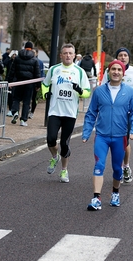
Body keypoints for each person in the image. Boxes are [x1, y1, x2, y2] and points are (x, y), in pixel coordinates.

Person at [82, 60, 133, 210]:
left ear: (123, 73)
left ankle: (115, 193)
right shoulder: (99, 91)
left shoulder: (129, 92)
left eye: (119, 70)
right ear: (108, 72)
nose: (116, 72)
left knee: (117, 168)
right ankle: (96, 198)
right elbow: (91, 113)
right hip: (101, 135)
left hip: (120, 137)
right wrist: (86, 132)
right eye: (113, 69)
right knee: (99, 165)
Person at [41, 43, 91, 183]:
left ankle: (64, 170)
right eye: (65, 53)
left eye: (70, 53)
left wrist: (80, 91)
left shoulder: (79, 71)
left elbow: (87, 92)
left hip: (70, 113)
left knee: (65, 144)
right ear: (61, 55)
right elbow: (45, 84)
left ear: (74, 55)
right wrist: (46, 94)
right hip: (55, 111)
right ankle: (54, 157)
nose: (68, 55)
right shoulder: (54, 69)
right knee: (50, 139)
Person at [101, 47, 133, 183]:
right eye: (120, 55)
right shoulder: (109, 71)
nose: (123, 57)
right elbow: (103, 88)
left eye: (125, 55)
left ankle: (124, 166)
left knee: (124, 141)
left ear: (129, 58)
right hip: (112, 112)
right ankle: (120, 167)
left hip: (128, 112)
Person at [8, 41, 41, 127]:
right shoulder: (34, 59)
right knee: (26, 102)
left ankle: (15, 111)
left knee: (16, 98)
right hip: (29, 83)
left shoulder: (17, 58)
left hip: (19, 81)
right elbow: (37, 73)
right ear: (32, 48)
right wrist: (38, 85)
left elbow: (12, 71)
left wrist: (10, 82)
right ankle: (23, 120)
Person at [29, 48, 45, 119]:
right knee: (27, 98)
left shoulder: (40, 62)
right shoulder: (28, 60)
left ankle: (32, 111)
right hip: (29, 82)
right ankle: (27, 110)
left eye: (34, 52)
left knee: (34, 98)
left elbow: (41, 73)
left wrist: (39, 84)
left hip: (35, 83)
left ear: (37, 53)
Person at [5, 49, 18, 117]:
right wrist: (8, 56)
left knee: (15, 96)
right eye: (13, 54)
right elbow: (4, 63)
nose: (14, 56)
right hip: (9, 80)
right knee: (9, 95)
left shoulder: (18, 62)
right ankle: (10, 109)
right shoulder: (9, 62)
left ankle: (15, 110)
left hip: (16, 80)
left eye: (15, 55)